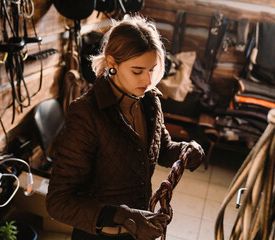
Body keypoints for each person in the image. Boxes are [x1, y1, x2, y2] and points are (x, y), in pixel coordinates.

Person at [46, 15, 205, 240]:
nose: (148, 80)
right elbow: (58, 202)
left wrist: (188, 152)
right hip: (100, 234)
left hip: (138, 229)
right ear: (112, 63)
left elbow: (160, 149)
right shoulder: (86, 113)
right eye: (137, 71)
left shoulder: (149, 102)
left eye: (152, 69)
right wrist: (122, 216)